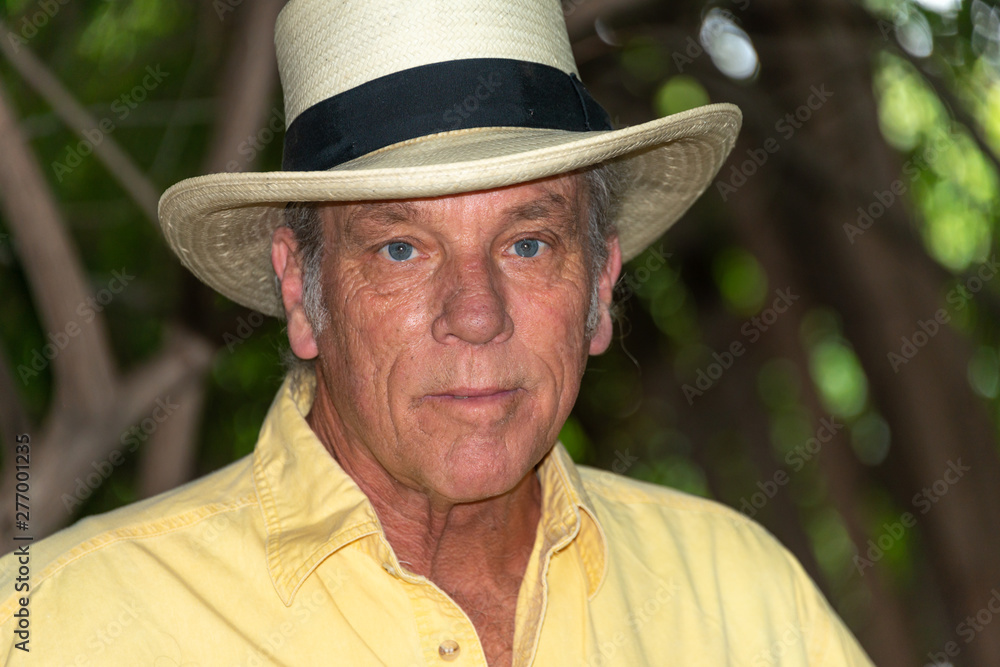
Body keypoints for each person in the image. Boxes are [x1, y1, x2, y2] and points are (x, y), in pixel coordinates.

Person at [0, 0, 874, 664]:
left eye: (527, 243)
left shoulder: (744, 603)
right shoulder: (59, 626)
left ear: (600, 283)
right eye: (401, 247)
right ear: (303, 293)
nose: (476, 312)